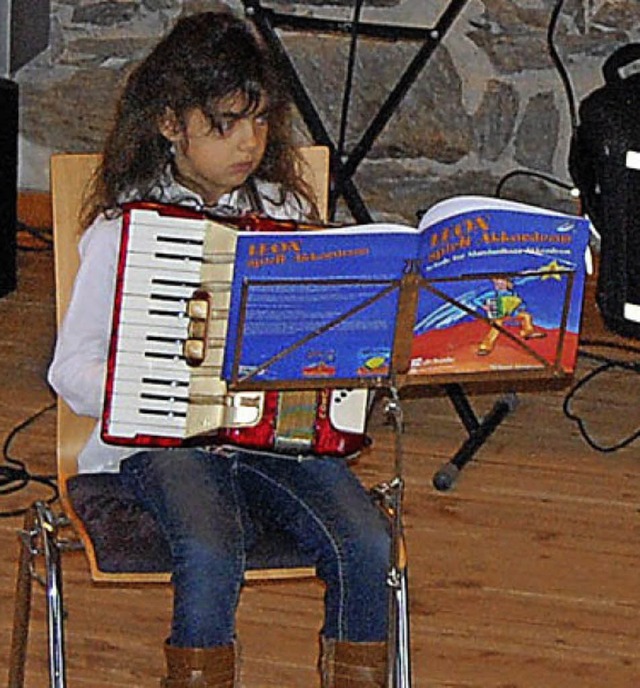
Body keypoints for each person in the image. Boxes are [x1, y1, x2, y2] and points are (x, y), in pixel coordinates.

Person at [48, 10, 391, 688]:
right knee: (209, 548)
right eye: (225, 124)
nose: (249, 143)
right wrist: (153, 389)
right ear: (172, 124)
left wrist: (358, 365)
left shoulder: (287, 220)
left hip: (276, 438)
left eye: (260, 122)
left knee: (368, 543)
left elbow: (322, 342)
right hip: (165, 445)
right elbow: (69, 369)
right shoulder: (125, 233)